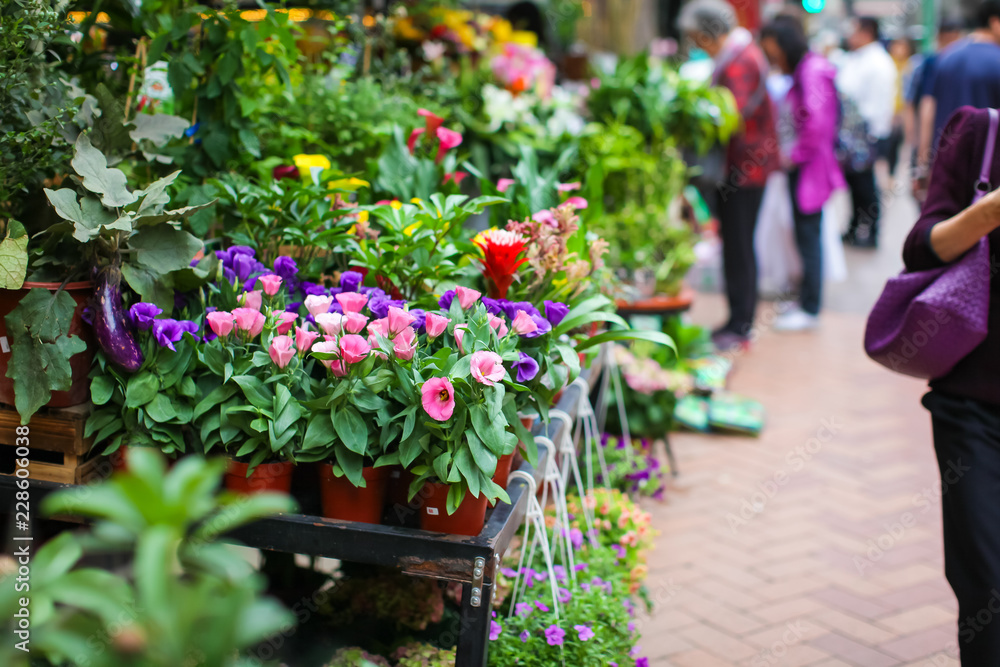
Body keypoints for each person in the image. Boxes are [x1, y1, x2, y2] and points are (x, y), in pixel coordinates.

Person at [901, 106, 1000, 666]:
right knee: (987, 589)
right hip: (975, 408)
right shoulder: (979, 131)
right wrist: (987, 213)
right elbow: (920, 246)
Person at [678, 0, 779, 350]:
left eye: (697, 38)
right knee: (737, 244)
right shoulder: (738, 54)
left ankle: (741, 324)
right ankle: (738, 320)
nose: (697, 45)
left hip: (746, 170)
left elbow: (728, 114)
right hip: (742, 168)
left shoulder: (741, 59)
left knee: (739, 244)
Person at [760, 16, 845, 332]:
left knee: (809, 237)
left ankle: (810, 307)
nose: (771, 57)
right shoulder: (805, 70)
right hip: (804, 168)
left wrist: (792, 157)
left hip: (808, 170)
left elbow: (816, 125)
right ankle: (806, 301)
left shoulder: (811, 72)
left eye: (772, 50)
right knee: (804, 234)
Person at [916, 1, 1000, 197]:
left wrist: (922, 165)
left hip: (945, 168)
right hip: (987, 178)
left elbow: (927, 110)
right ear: (995, 22)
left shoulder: (946, 56)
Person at [836, 17, 897, 248]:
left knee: (865, 185)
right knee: (855, 183)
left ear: (867, 32)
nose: (850, 36)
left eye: (854, 30)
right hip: (852, 134)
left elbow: (878, 107)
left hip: (865, 135)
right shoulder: (856, 58)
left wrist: (871, 136)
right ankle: (855, 226)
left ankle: (872, 230)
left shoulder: (878, 62)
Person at [906, 18, 964, 203]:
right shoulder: (935, 63)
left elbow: (921, 107)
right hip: (946, 141)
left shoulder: (932, 62)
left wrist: (920, 155)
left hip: (937, 141)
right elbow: (924, 108)